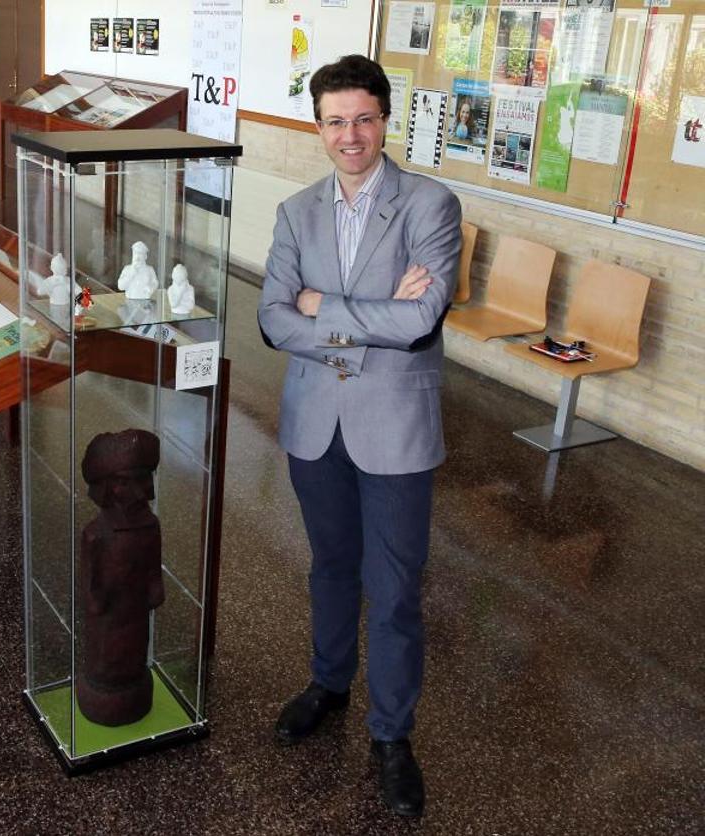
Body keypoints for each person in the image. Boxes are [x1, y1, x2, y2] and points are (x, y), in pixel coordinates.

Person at [258, 55, 462, 818]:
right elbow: (274, 319)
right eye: (336, 120)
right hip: (316, 425)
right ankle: (329, 682)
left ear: (386, 121)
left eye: (365, 118)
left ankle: (391, 735)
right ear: (318, 127)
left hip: (396, 429)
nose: (352, 135)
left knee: (397, 588)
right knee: (330, 567)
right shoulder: (296, 212)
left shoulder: (431, 206)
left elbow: (419, 325)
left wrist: (324, 307)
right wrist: (353, 317)